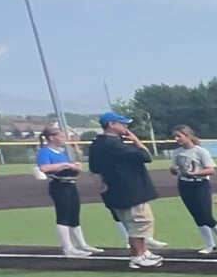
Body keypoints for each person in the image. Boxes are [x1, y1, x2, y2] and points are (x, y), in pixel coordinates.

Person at [86, 112, 163, 269]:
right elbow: (146, 156)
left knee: (133, 225)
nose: (126, 127)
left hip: (114, 191)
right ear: (111, 125)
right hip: (130, 190)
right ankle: (137, 256)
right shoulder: (114, 145)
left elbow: (94, 170)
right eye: (122, 123)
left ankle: (143, 252)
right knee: (139, 223)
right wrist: (135, 140)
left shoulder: (96, 144)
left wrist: (102, 185)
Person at [169, 126, 217, 254]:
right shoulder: (176, 152)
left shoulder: (200, 151)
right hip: (184, 185)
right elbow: (175, 169)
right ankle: (210, 245)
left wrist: (195, 173)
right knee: (197, 217)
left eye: (179, 136)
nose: (176, 139)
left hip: (200, 184)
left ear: (188, 136)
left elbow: (211, 169)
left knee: (206, 217)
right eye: (175, 136)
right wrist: (174, 170)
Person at [36, 126, 100, 257]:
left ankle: (81, 244)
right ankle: (68, 248)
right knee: (63, 216)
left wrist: (75, 167)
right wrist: (65, 165)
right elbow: (44, 167)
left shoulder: (61, 152)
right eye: (61, 136)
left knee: (74, 214)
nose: (64, 139)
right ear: (52, 138)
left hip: (70, 185)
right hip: (59, 186)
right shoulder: (45, 152)